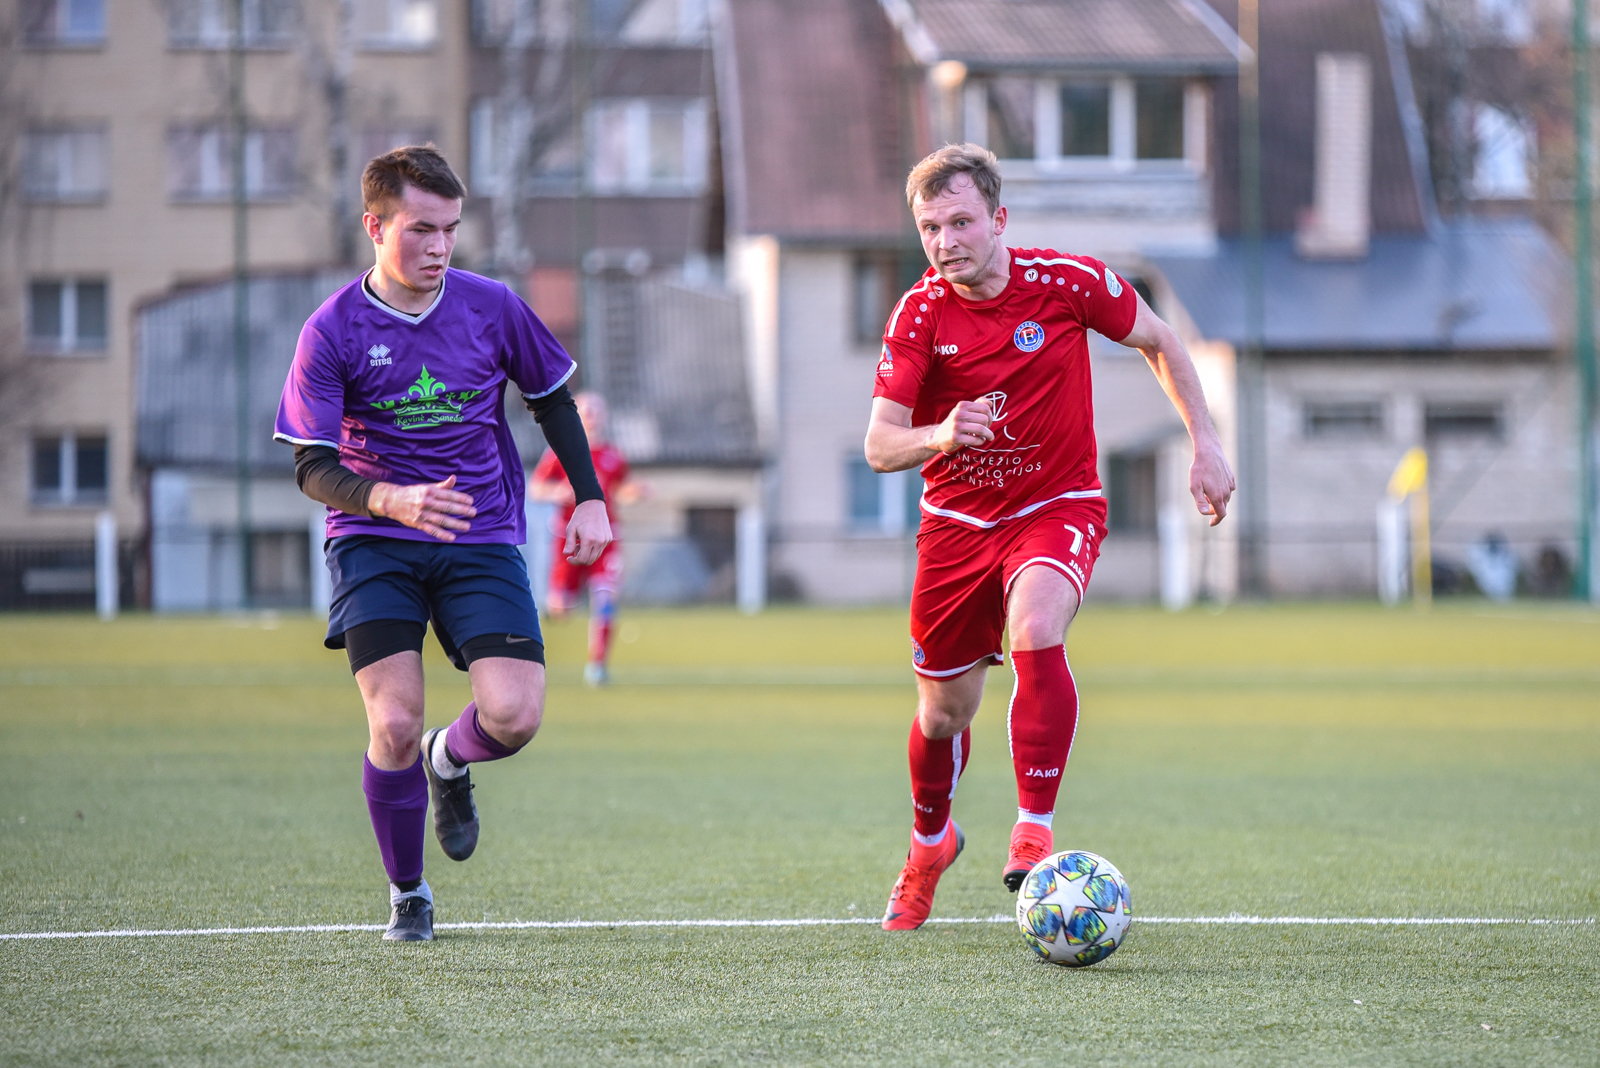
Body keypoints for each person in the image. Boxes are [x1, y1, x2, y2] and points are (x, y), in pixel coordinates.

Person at [865, 144, 1234, 930]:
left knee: (1035, 624)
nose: (945, 242)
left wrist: (1205, 444)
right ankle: (929, 846)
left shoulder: (1068, 283)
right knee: (943, 714)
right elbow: (878, 445)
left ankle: (1033, 828)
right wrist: (939, 434)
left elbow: (1161, 340)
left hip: (1056, 505)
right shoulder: (919, 315)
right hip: (956, 527)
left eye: (960, 222)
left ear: (998, 219)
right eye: (930, 228)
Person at [273, 145, 612, 942]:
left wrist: (591, 498)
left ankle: (448, 760)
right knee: (392, 722)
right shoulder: (331, 330)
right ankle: (409, 894)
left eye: (451, 229)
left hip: (479, 532)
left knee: (515, 715)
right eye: (421, 229)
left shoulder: (491, 306)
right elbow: (312, 466)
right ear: (375, 226)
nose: (440, 247)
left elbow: (552, 399)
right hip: (373, 541)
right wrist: (387, 498)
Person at [529, 391, 643, 686]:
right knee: (561, 609)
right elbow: (536, 488)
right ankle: (557, 608)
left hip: (606, 538)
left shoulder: (613, 456)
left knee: (606, 598)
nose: (591, 414)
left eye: (596, 409)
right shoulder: (561, 450)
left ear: (603, 416)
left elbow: (620, 490)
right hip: (569, 539)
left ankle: (598, 666)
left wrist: (634, 493)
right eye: (586, 409)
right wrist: (557, 492)